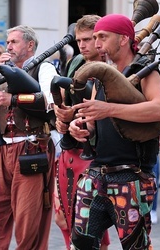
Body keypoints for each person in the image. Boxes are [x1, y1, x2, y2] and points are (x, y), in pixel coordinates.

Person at [68, 14, 160, 249]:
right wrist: (80, 126)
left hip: (132, 176)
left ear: (124, 39)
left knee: (136, 246)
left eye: (102, 37)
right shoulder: (102, 76)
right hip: (96, 175)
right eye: (94, 37)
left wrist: (109, 109)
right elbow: (92, 120)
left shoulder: (146, 71)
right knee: (81, 243)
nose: (96, 44)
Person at [0, 25, 58, 249]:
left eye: (14, 42)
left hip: (31, 149)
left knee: (28, 218)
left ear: (30, 45)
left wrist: (14, 99)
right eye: (7, 41)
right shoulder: (2, 70)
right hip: (1, 151)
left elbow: (50, 100)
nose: (8, 46)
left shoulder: (45, 68)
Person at [53, 14, 110, 250]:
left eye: (89, 39)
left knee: (88, 224)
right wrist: (61, 116)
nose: (84, 45)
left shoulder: (110, 66)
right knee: (63, 217)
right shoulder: (76, 61)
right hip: (72, 148)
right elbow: (65, 99)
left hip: (99, 153)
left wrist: (79, 120)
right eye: (79, 40)